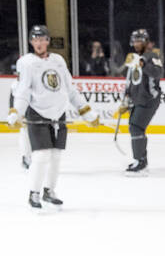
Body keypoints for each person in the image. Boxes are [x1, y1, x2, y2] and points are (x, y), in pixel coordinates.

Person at [8, 25, 100, 209]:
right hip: (38, 113)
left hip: (59, 114)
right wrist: (16, 111)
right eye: (35, 39)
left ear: (48, 41)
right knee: (41, 156)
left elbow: (70, 89)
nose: (39, 43)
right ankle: (33, 193)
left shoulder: (58, 60)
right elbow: (23, 91)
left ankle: (49, 191)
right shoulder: (26, 63)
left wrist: (86, 111)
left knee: (56, 157)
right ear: (31, 42)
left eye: (42, 39)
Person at [117, 28, 163, 174]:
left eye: (140, 40)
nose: (137, 43)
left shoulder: (152, 56)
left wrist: (143, 64)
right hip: (136, 99)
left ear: (146, 42)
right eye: (135, 40)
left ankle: (140, 162)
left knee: (136, 127)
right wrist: (126, 98)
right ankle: (141, 160)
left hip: (149, 99)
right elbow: (130, 80)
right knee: (135, 127)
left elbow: (158, 73)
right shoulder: (132, 58)